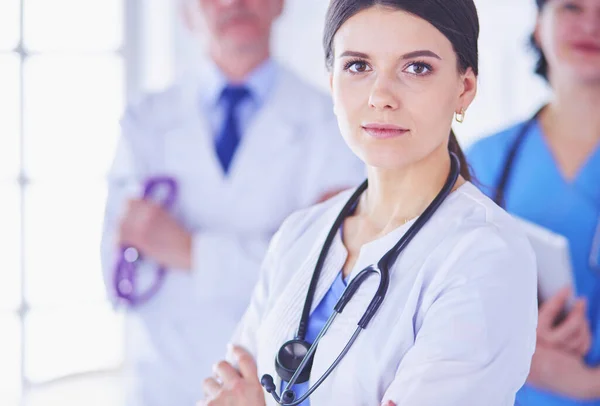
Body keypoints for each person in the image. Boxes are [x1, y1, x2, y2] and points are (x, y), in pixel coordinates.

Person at [199, 1, 539, 405]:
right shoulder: (302, 233)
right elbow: (231, 385)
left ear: (464, 89)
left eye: (416, 68)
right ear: (332, 83)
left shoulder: (485, 254)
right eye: (358, 66)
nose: (381, 96)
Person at [99, 0, 365, 404]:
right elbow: (117, 274)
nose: (234, 2)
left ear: (280, 4)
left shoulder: (332, 122)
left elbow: (327, 272)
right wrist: (274, 248)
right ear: (184, 12)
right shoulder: (145, 121)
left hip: (268, 386)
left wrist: (187, 250)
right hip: (161, 383)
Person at [467, 0, 600, 404]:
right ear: (539, 27)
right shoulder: (483, 161)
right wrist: (518, 339)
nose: (591, 24)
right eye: (572, 8)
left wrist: (585, 385)